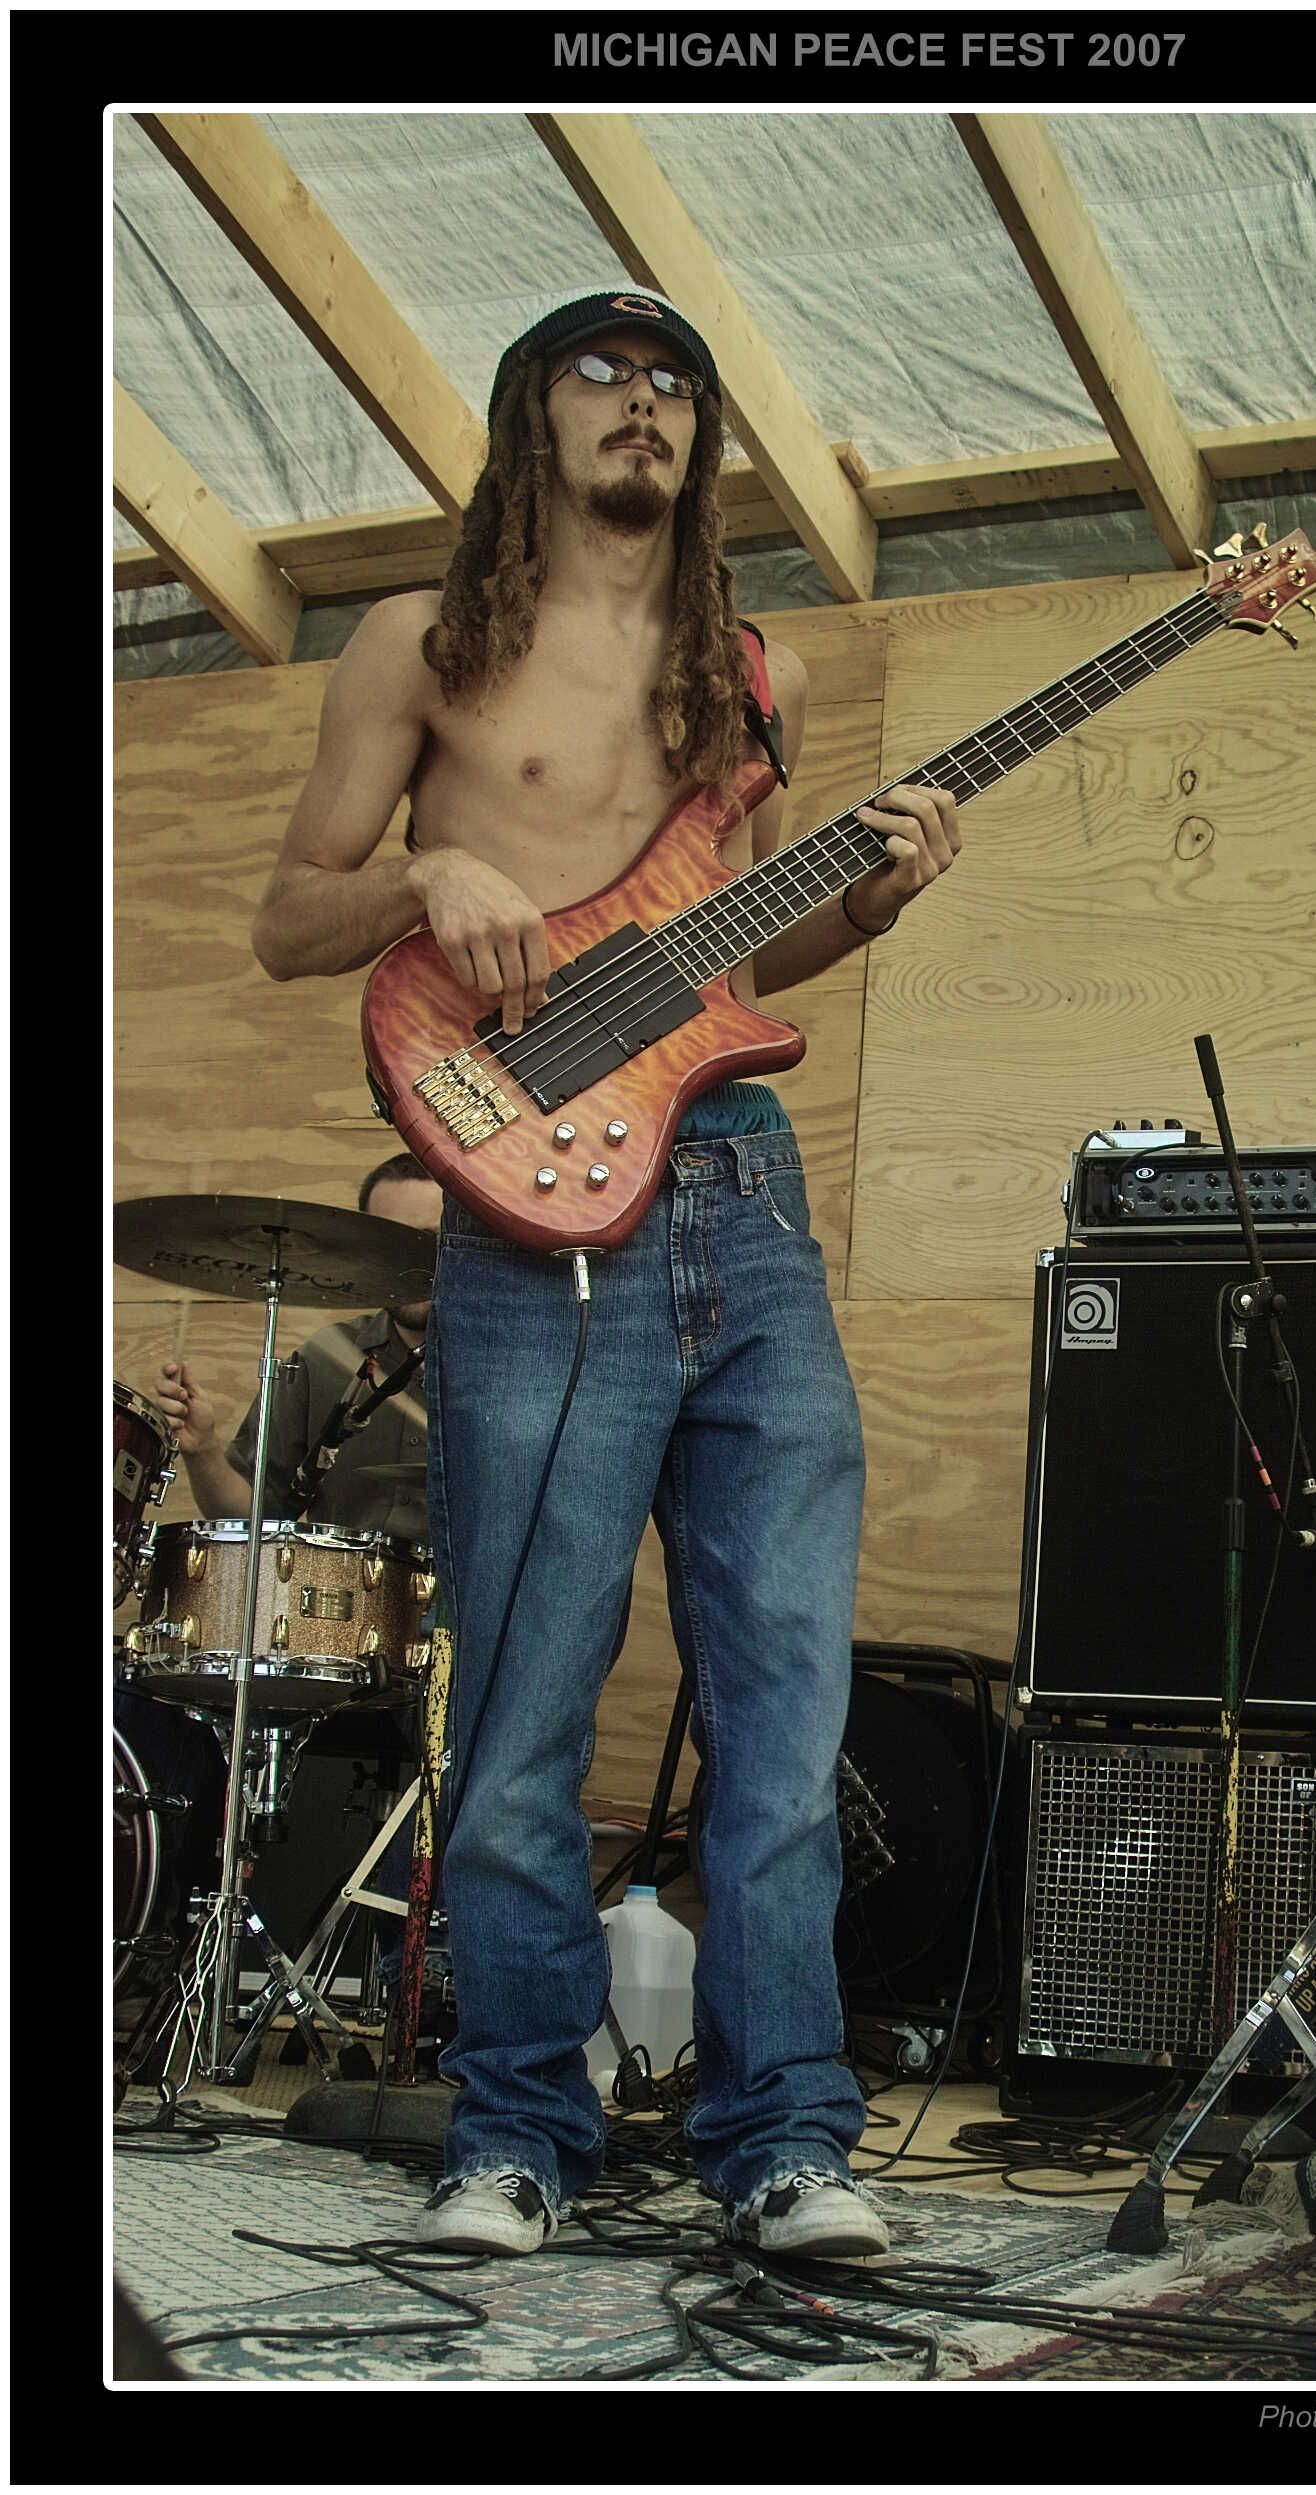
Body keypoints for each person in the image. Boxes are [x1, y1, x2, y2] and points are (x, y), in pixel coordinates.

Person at [247, 289, 962, 2261]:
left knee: (785, 1716)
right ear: (528, 414)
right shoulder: (417, 644)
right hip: (529, 1231)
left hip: (742, 1200)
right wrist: (425, 874)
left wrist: (866, 900)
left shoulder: (751, 671)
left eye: (673, 384)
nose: (641, 404)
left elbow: (724, 965)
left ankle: (785, 2137)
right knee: (522, 1718)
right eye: (600, 373)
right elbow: (286, 918)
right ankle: (513, 2132)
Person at [155, 1154, 441, 1546]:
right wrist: (203, 1450)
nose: (411, 1261)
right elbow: (251, 1518)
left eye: (429, 1241)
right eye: (393, 1242)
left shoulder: (515, 1369)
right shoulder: (325, 1359)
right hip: (343, 1587)